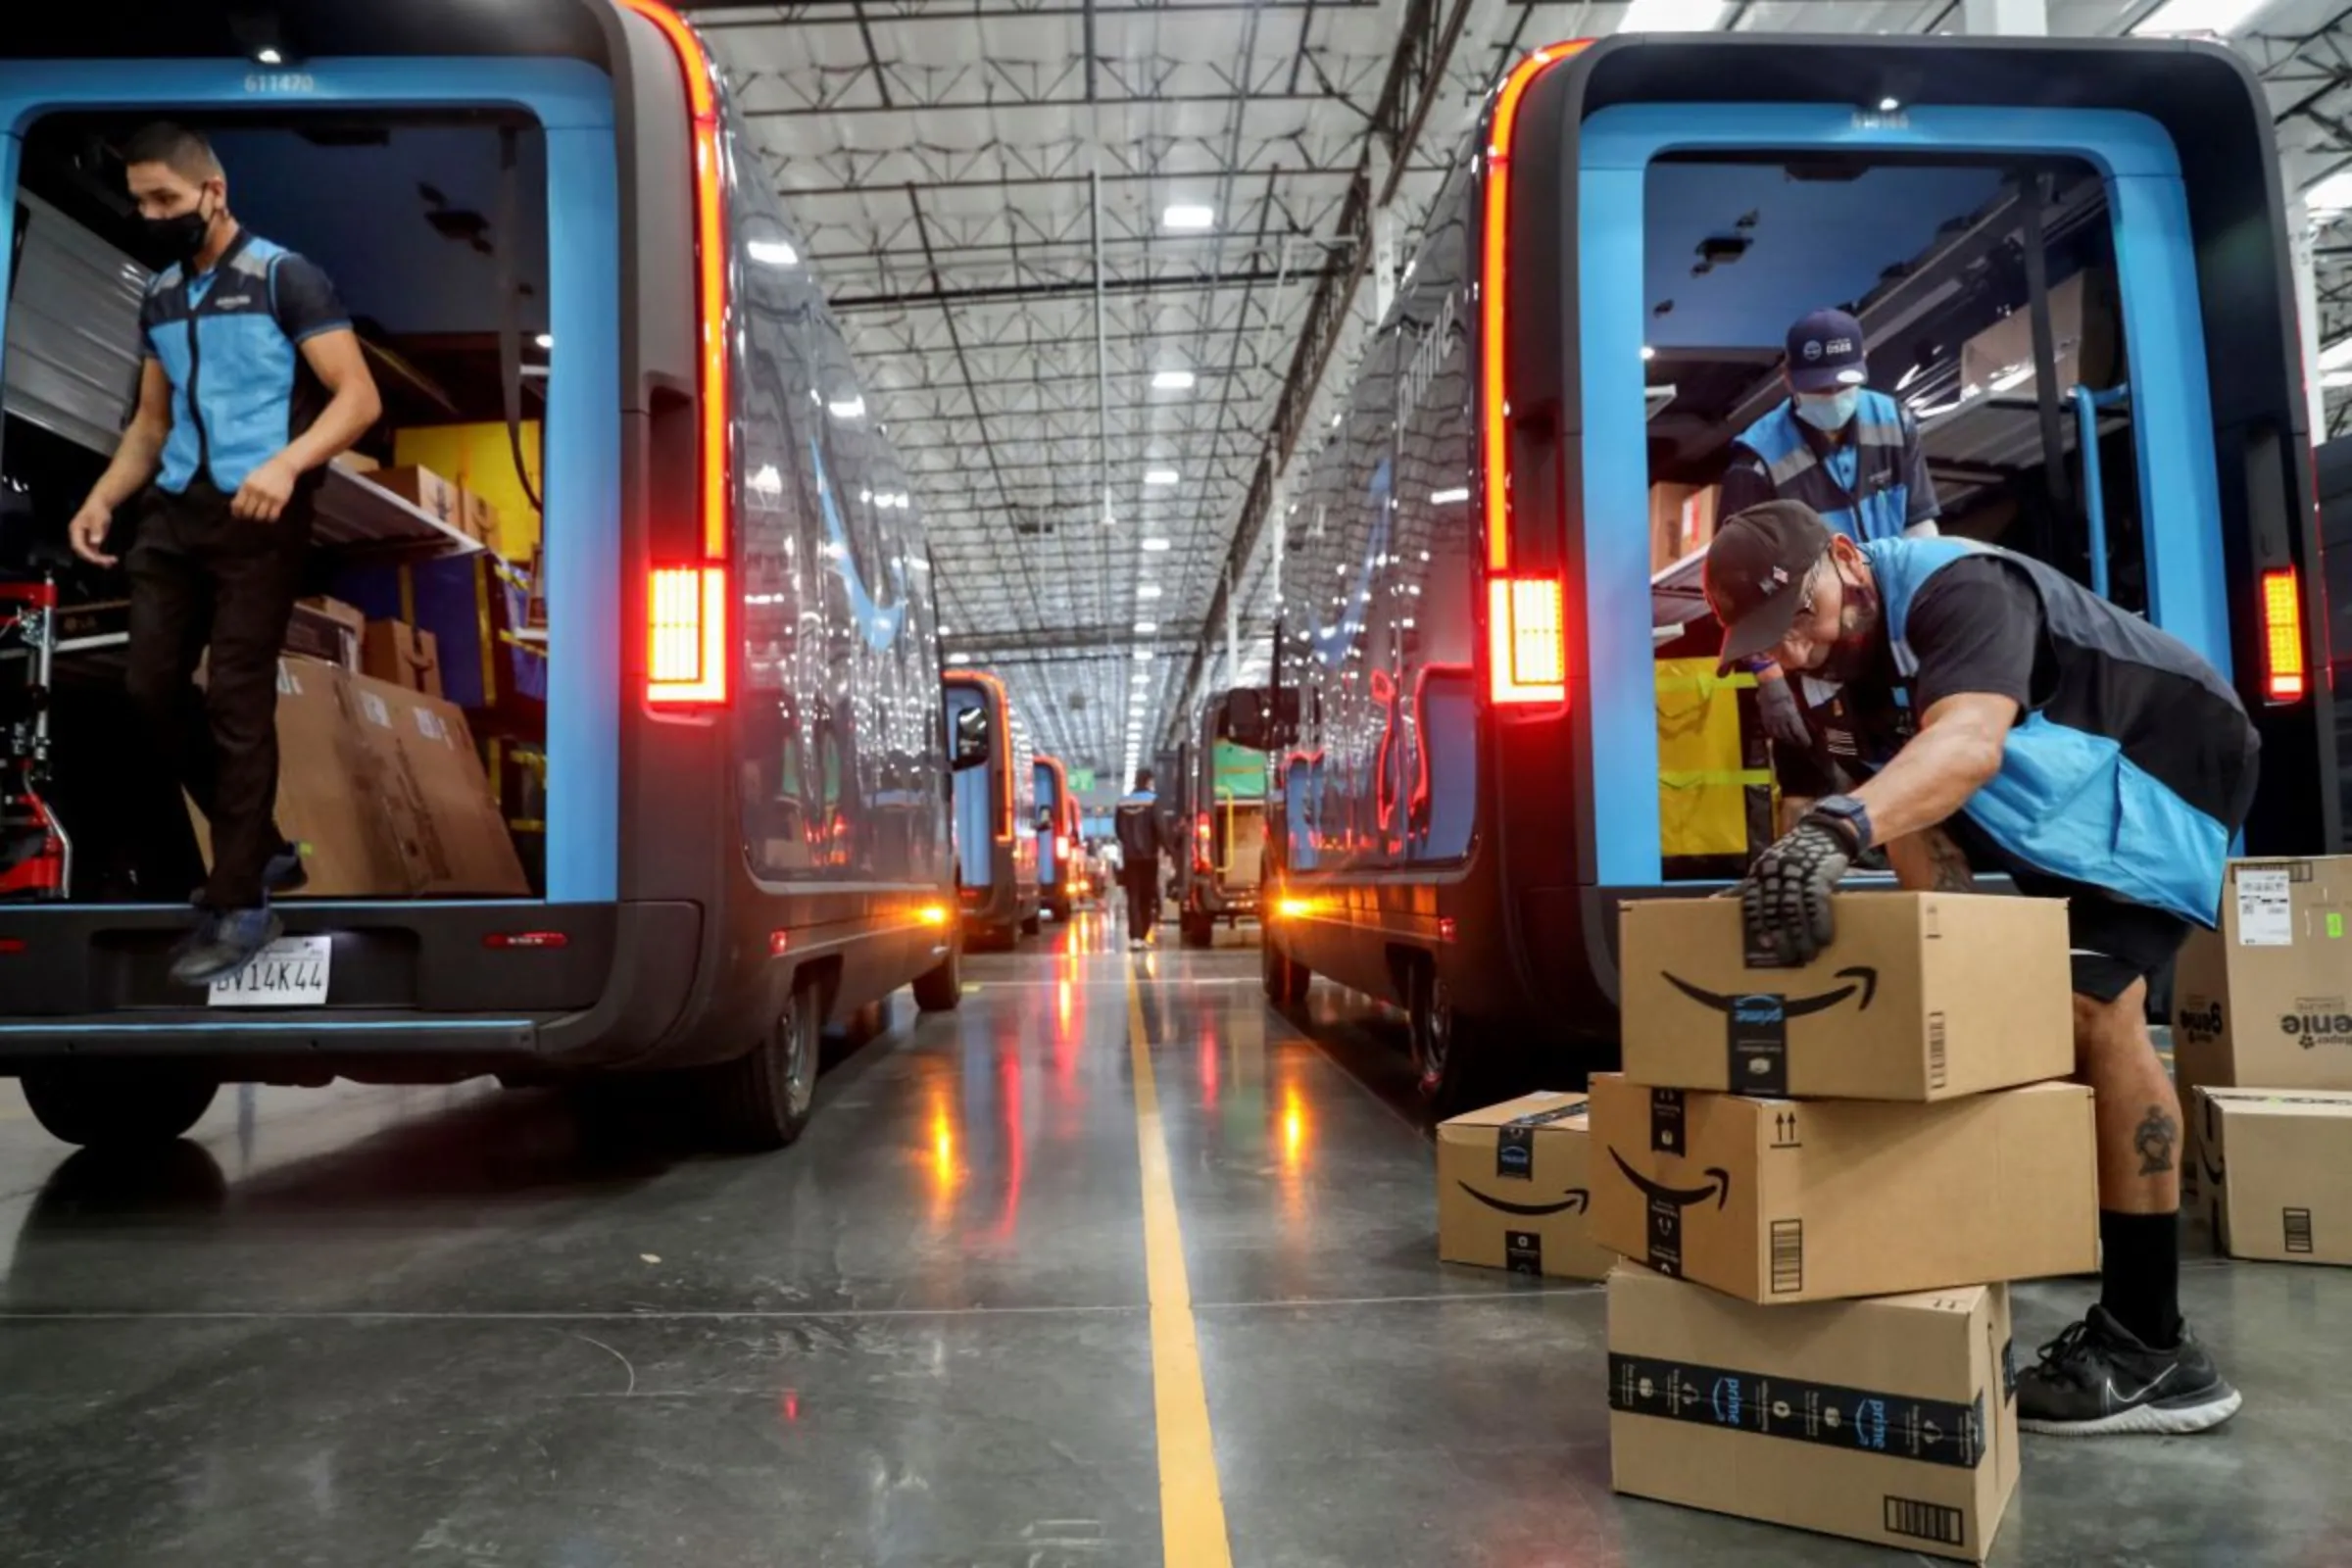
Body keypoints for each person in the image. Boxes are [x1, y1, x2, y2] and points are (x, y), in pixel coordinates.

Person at [1704, 498, 2259, 1438]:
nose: (1792, 652)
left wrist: (1840, 831)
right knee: (1987, 998)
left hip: (2162, 765)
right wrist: (1947, 966)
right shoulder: (1838, 670)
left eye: (1799, 618)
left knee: (2095, 1011)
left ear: (1847, 559)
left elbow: (1963, 749)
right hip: (2057, 789)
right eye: (1768, 640)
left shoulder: (1961, 590)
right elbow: (1921, 825)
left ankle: (2152, 1351)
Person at [67, 122, 381, 985]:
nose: (151, 213)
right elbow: (150, 423)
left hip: (261, 514)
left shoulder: (284, 276)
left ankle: (239, 897)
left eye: (165, 198)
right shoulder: (162, 295)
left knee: (238, 698)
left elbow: (358, 399)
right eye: (140, 201)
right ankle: (267, 847)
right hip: (175, 514)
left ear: (214, 192)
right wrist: (103, 498)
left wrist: (286, 464)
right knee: (147, 689)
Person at [1720, 308, 1941, 756]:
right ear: (1788, 379)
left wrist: (1931, 611)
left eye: (1844, 386)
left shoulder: (1895, 423)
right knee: (1842, 774)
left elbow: (1920, 525)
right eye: (1820, 389)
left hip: (1894, 625)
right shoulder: (1756, 461)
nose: (1834, 397)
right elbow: (1741, 591)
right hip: (1817, 647)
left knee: (1923, 755)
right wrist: (1770, 681)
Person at [1113, 769, 1167, 951]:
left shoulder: (1122, 802)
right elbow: (1159, 827)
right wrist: (1168, 849)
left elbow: (1118, 830)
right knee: (1146, 896)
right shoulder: (1153, 800)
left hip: (1130, 858)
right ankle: (1142, 936)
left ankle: (1134, 937)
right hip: (1149, 857)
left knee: (1133, 896)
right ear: (1149, 781)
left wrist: (1129, 845)